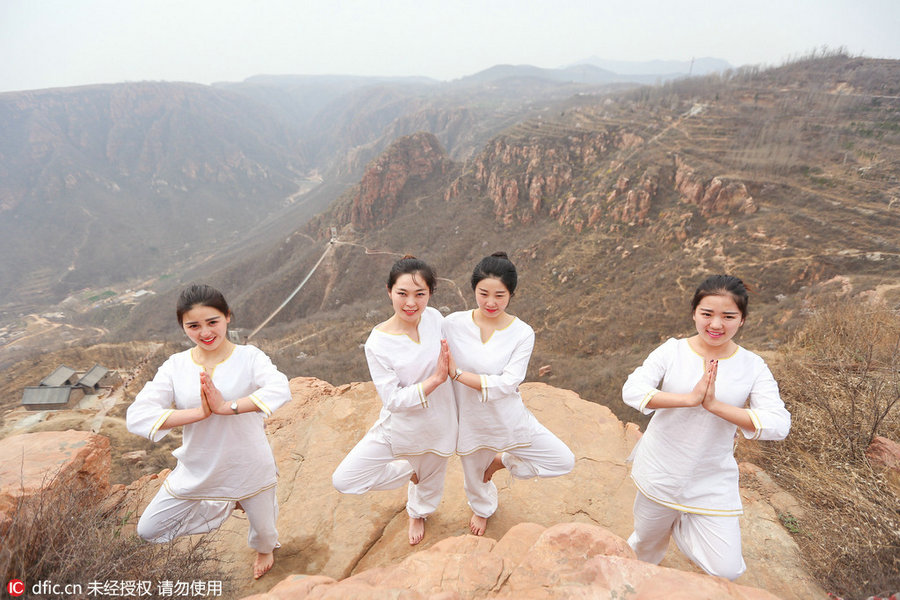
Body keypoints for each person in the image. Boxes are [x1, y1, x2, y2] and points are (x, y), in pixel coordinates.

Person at [622, 274, 791, 580]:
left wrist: (715, 406)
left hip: (710, 477)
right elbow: (632, 390)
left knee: (726, 571)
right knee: (644, 548)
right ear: (694, 313)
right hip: (661, 469)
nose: (716, 325)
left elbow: (779, 424)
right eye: (707, 314)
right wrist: (688, 399)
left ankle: (681, 523)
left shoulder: (752, 366)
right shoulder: (672, 351)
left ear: (742, 320)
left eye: (728, 316)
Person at [126, 284, 290, 580]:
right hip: (198, 466)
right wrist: (198, 413)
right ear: (183, 326)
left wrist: (228, 407)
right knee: (150, 530)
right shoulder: (176, 366)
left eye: (212, 322)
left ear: (228, 317)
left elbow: (280, 388)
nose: (205, 332)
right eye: (194, 325)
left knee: (265, 536)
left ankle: (262, 545)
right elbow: (137, 415)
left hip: (248, 463)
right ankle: (226, 505)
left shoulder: (249, 357)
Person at [443, 251, 574, 536]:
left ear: (511, 294)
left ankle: (501, 461)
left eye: (500, 295)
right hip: (470, 419)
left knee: (562, 460)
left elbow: (509, 382)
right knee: (474, 478)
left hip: (507, 417)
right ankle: (482, 508)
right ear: (473, 290)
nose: (491, 302)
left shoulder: (522, 333)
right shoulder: (452, 324)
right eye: (483, 293)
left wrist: (458, 375)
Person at [331, 256, 457, 545]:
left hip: (439, 420)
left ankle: (418, 511)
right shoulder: (379, 342)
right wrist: (434, 381)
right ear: (389, 291)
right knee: (346, 479)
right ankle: (408, 472)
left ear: (430, 294)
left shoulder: (435, 319)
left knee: (431, 484)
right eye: (402, 293)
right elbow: (392, 399)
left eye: (420, 294)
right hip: (400, 426)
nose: (411, 302)